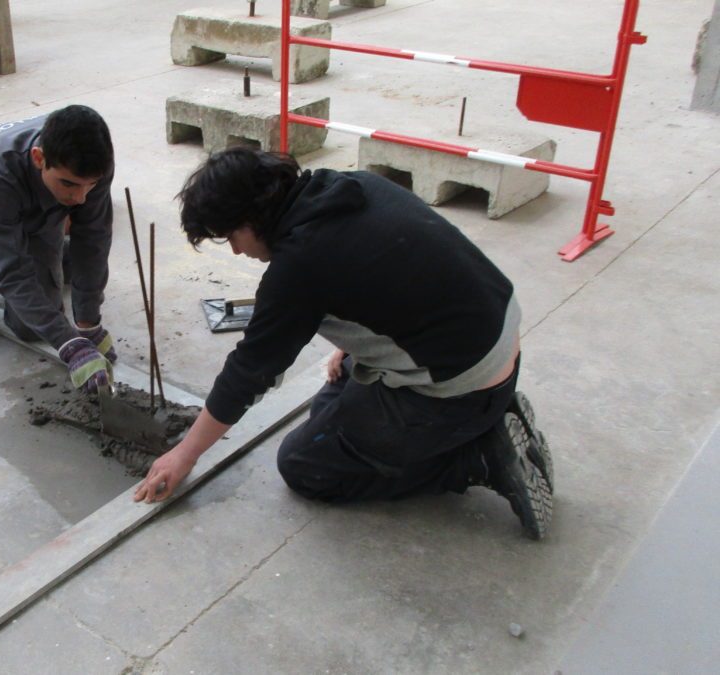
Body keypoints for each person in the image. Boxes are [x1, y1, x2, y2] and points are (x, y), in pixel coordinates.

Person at [134, 147, 555, 540]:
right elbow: (399, 270)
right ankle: (482, 419)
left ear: (248, 219)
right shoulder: (346, 186)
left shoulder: (299, 264)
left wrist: (185, 455)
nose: (238, 252)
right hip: (493, 337)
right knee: (330, 406)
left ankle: (479, 458)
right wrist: (356, 347)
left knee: (305, 464)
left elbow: (249, 373)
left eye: (231, 238)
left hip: (462, 383)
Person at [0, 105, 117, 393]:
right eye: (69, 184)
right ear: (39, 158)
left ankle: (52, 262)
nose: (80, 197)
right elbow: (12, 273)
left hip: (41, 224)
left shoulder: (94, 165)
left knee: (30, 329)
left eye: (90, 186)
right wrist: (70, 345)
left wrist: (87, 321)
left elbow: (93, 238)